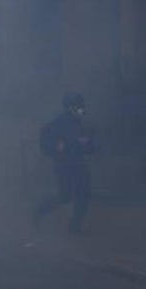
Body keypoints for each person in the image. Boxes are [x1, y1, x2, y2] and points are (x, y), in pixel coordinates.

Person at [34, 92, 96, 234]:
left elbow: (88, 145)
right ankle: (39, 210)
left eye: (82, 106)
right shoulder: (58, 123)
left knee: (83, 195)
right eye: (79, 107)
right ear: (71, 108)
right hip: (63, 166)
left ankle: (75, 227)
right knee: (65, 195)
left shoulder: (78, 123)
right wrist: (58, 147)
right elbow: (47, 143)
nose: (82, 109)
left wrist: (86, 144)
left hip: (78, 164)